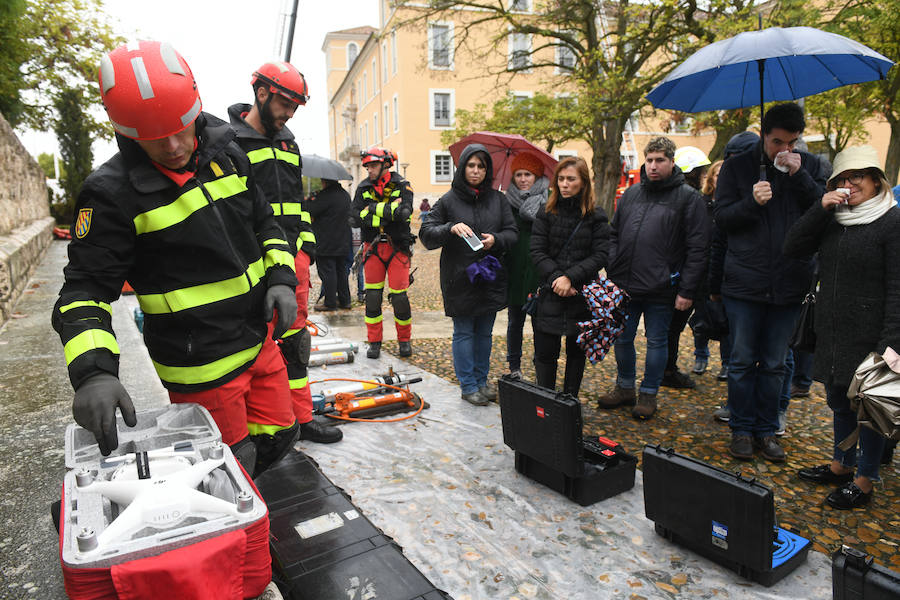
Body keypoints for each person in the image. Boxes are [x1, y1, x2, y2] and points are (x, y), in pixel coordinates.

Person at [53, 42, 298, 598]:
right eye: (153, 136)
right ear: (125, 133)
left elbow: (266, 222)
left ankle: (249, 524)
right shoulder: (111, 194)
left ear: (197, 108)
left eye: (181, 128)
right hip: (201, 366)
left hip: (258, 342)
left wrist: (281, 277)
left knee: (281, 437)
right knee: (226, 475)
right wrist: (93, 371)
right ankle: (233, 557)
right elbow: (85, 289)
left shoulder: (228, 149)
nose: (172, 145)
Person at [229, 61, 341, 444]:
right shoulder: (230, 142)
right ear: (262, 93)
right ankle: (256, 428)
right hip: (252, 262)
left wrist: (305, 248)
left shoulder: (288, 143)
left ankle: (301, 418)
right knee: (253, 344)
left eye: (296, 107)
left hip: (292, 260)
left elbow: (296, 202)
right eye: (285, 104)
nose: (290, 114)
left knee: (295, 342)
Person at [784, 145, 899, 509]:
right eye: (842, 178)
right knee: (838, 401)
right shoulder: (835, 217)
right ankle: (841, 465)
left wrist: (891, 343)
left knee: (871, 409)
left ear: (876, 180)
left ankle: (864, 481)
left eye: (857, 177)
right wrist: (821, 207)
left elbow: (899, 287)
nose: (850, 184)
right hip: (834, 331)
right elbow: (793, 246)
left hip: (874, 335)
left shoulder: (893, 222)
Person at [714, 102, 827, 462]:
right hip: (745, 283)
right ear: (764, 136)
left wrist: (799, 177)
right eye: (778, 142)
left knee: (776, 363)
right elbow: (722, 219)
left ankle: (768, 428)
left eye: (792, 142)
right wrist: (752, 201)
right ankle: (742, 428)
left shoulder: (810, 167)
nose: (785, 150)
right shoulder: (737, 166)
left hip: (790, 282)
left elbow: (823, 212)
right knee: (743, 360)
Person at [598, 136, 708, 419]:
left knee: (657, 341)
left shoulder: (688, 198)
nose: (653, 166)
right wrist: (612, 263)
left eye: (660, 160)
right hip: (625, 283)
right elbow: (614, 233)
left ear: (672, 162)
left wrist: (687, 290)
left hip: (662, 286)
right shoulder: (632, 194)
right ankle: (625, 388)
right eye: (649, 160)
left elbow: (698, 247)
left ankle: (648, 394)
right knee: (622, 338)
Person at [419, 144, 517, 405]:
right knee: (463, 331)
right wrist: (450, 227)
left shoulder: (499, 200)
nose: (476, 171)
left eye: (481, 166)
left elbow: (512, 233)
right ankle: (468, 385)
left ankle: (482, 381)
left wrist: (495, 239)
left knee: (485, 332)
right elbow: (426, 234)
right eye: (471, 165)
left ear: (488, 171)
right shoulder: (449, 200)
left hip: (489, 275)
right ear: (462, 168)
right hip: (459, 277)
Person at [530, 157, 610, 397]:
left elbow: (601, 254)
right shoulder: (545, 212)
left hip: (581, 295)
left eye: (571, 179)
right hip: (550, 293)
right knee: (545, 353)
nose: (565, 184)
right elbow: (537, 250)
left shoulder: (596, 215)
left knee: (576, 355)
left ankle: (570, 402)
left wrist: (571, 279)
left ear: (583, 183)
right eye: (561, 179)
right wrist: (557, 279)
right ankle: (546, 402)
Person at [709, 132, 760, 424]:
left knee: (773, 361)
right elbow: (720, 240)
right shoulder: (726, 197)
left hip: (769, 288)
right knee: (737, 356)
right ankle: (738, 411)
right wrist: (715, 287)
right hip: (735, 285)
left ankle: (768, 416)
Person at [351, 147, 415, 359]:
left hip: (398, 247)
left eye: (374, 165)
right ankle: (374, 342)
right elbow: (354, 218)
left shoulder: (402, 184)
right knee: (372, 297)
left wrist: (371, 209)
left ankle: (404, 340)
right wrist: (389, 211)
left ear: (386, 165)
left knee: (399, 298)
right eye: (367, 166)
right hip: (373, 247)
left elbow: (405, 213)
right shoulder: (363, 187)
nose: (369, 169)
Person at [660, 146, 711, 389]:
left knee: (669, 328)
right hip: (681, 276)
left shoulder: (672, 197)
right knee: (672, 328)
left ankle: (665, 368)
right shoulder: (691, 200)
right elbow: (697, 246)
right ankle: (667, 370)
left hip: (673, 274)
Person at [504, 152, 550, 379]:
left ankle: (541, 366)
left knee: (540, 322)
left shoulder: (548, 200)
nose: (522, 179)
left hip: (538, 268)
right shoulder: (507, 202)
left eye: (528, 174)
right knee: (515, 321)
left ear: (537, 176)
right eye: (518, 174)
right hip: (515, 267)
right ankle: (514, 366)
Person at [691, 159, 724, 376]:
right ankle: (700, 355)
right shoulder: (701, 202)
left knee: (725, 319)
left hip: (724, 267)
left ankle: (727, 362)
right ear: (710, 177)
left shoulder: (732, 203)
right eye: (717, 174)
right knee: (701, 315)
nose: (720, 178)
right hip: (702, 267)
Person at [309, 179, 352, 311]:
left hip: (326, 241)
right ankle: (345, 301)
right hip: (343, 240)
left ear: (325, 182)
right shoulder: (345, 195)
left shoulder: (325, 196)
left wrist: (311, 199)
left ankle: (330, 302)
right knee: (342, 272)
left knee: (328, 273)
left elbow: (311, 210)